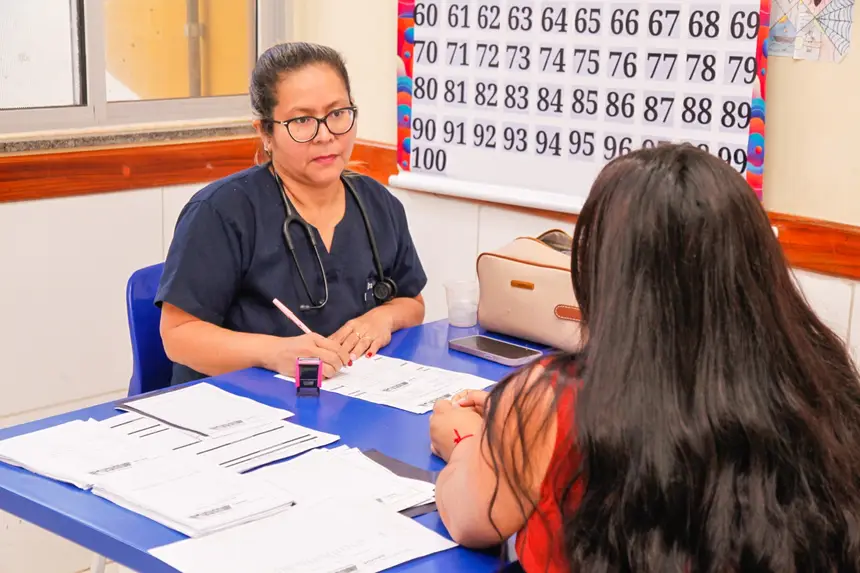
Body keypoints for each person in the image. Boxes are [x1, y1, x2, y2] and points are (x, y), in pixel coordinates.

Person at [429, 144, 860, 572]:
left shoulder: (554, 401)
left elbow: (468, 518)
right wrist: (513, 426)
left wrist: (470, 442)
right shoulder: (823, 384)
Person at [156, 42, 427, 386]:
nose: (326, 135)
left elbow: (413, 302)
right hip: (241, 407)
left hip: (343, 399)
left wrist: (383, 318)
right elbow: (178, 336)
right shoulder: (222, 211)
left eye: (338, 113)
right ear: (265, 132)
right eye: (302, 120)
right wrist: (272, 352)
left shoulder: (377, 203)